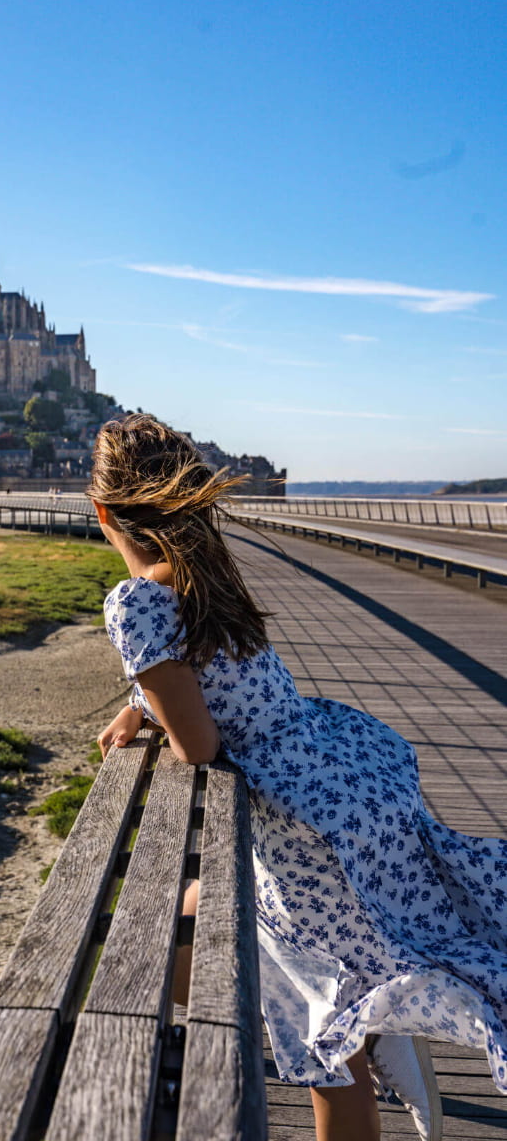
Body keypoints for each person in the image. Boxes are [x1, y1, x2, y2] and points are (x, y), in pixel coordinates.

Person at [90, 414, 507, 1141]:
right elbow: (209, 681)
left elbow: (196, 743)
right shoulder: (207, 574)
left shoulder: (135, 601)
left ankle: (371, 1026)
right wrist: (141, 705)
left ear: (102, 514)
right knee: (193, 928)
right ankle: (374, 1019)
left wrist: (155, 712)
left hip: (303, 831)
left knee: (319, 1042)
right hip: (341, 785)